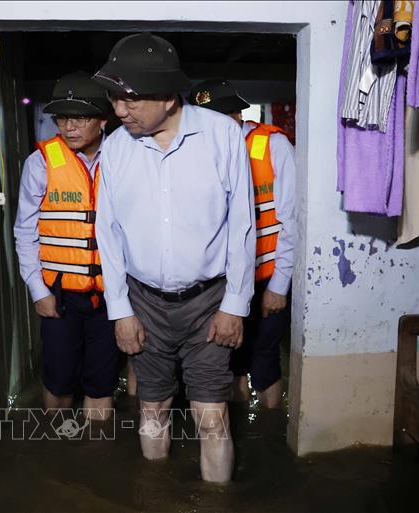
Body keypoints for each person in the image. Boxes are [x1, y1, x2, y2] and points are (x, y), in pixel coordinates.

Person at [93, 33, 256, 483]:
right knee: (153, 406)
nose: (118, 111)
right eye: (114, 98)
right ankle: (155, 493)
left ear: (167, 96)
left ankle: (217, 501)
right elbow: (107, 234)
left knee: (211, 415)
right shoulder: (117, 146)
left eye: (130, 100)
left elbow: (243, 226)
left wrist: (235, 305)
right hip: (142, 300)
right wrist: (120, 311)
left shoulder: (223, 135)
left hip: (210, 301)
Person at [14, 71, 119, 421]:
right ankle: (58, 452)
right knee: (58, 386)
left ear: (102, 120)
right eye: (62, 118)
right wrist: (37, 291)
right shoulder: (41, 162)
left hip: (112, 294)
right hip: (59, 295)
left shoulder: (123, 160)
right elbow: (24, 231)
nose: (69, 126)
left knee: (101, 387)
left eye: (80, 117)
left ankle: (94, 467)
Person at [189, 79, 296, 409]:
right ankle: (240, 426)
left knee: (265, 359)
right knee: (230, 361)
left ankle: (268, 431)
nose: (215, 125)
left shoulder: (272, 146)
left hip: (265, 279)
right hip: (220, 284)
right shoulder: (198, 151)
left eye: (223, 115)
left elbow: (292, 221)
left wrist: (279, 285)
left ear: (238, 113)